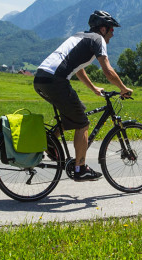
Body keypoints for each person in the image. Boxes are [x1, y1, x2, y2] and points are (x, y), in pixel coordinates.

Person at [33, 10, 133, 182]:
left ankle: (49, 143)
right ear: (103, 29)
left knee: (74, 113)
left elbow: (78, 68)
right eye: (111, 29)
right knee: (82, 123)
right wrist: (123, 88)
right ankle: (80, 168)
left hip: (41, 79)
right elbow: (108, 71)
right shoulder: (98, 40)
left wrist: (93, 87)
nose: (113, 33)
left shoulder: (80, 36)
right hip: (56, 80)